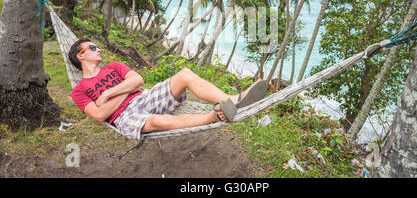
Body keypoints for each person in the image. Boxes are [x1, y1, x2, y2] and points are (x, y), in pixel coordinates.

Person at [68, 38, 267, 140]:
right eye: (92, 48)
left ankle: (231, 99)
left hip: (144, 98)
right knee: (156, 121)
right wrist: (127, 89)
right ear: (81, 56)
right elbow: (100, 114)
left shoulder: (114, 67)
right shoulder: (79, 90)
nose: (98, 49)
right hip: (124, 117)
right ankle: (212, 117)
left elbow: (137, 79)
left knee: (185, 74)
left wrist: (109, 93)